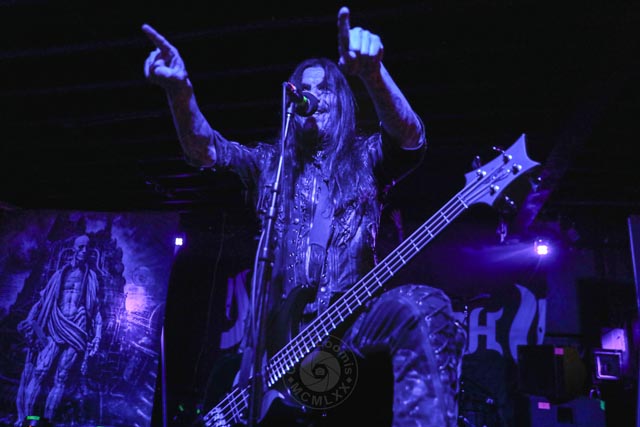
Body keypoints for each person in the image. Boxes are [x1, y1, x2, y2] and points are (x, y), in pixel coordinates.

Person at [143, 6, 466, 427]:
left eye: (324, 89)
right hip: (285, 338)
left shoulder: (366, 158)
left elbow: (410, 138)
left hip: (351, 322)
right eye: (304, 89)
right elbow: (205, 150)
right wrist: (180, 93)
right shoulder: (270, 166)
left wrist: (373, 74)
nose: (312, 96)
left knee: (421, 306)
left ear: (342, 102)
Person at [15, 235, 102, 425]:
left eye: (87, 248)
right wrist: (30, 319)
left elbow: (96, 310)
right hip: (55, 324)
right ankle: (29, 420)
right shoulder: (59, 275)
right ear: (74, 249)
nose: (84, 251)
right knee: (40, 371)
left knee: (61, 377)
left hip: (77, 329)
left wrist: (97, 336)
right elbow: (42, 301)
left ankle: (47, 421)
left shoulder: (92, 278)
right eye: (81, 247)